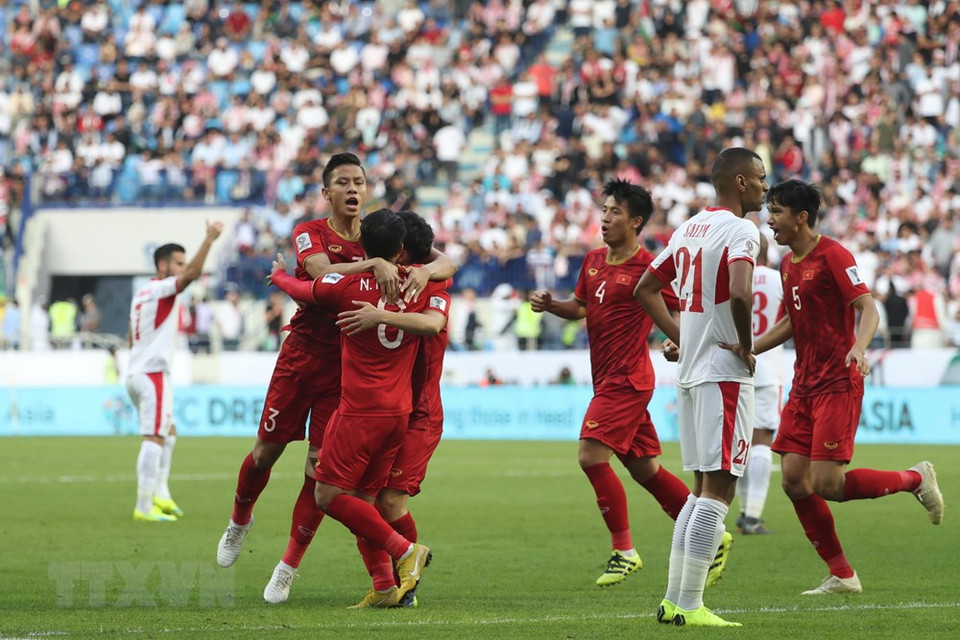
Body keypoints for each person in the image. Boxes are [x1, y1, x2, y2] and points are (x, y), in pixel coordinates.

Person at [214, 153, 455, 603]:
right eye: (342, 182)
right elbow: (320, 273)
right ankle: (239, 522)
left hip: (346, 375)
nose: (352, 189)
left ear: (366, 190)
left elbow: (446, 264)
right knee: (265, 453)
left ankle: (289, 567)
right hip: (302, 359)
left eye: (358, 182)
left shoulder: (383, 237)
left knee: (319, 472)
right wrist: (370, 265)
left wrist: (417, 268)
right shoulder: (311, 233)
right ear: (327, 192)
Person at [755, 179, 943, 595]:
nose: (769, 220)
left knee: (827, 485)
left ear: (801, 217)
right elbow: (791, 321)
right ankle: (842, 573)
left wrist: (859, 347)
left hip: (838, 382)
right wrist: (750, 347)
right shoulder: (787, 265)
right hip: (804, 386)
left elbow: (867, 308)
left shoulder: (834, 255)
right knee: (791, 479)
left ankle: (914, 478)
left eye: (776, 212)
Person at [269, 209, 449, 607]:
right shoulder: (425, 284)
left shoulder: (346, 285)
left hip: (359, 412)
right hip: (399, 413)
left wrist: (279, 276)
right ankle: (387, 588)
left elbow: (305, 289)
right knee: (367, 500)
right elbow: (445, 269)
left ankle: (406, 553)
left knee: (327, 496)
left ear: (363, 247)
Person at [530, 179, 700, 589]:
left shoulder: (649, 269)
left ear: (636, 221)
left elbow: (688, 310)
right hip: (605, 378)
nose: (605, 218)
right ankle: (708, 535)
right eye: (604, 210)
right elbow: (582, 309)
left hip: (627, 379)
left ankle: (624, 550)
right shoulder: (591, 261)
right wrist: (554, 306)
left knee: (590, 456)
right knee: (646, 470)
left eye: (615, 212)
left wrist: (680, 340)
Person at [635, 147, 765, 627]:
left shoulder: (689, 226)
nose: (766, 188)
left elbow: (645, 288)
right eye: (761, 178)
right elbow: (739, 291)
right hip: (723, 373)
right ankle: (690, 605)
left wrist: (684, 338)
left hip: (690, 373)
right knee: (720, 489)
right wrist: (745, 345)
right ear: (742, 182)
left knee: (698, 490)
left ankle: (674, 600)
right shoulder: (742, 229)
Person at [333, 210, 451, 608]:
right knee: (363, 500)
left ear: (402, 253)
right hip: (393, 407)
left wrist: (380, 313)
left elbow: (434, 321)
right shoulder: (408, 276)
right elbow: (447, 259)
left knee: (388, 503)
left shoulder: (431, 283)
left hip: (421, 412)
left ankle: (406, 580)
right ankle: (386, 586)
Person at [128, 221, 224, 522]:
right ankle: (144, 505)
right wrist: (208, 239)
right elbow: (191, 277)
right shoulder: (160, 289)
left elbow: (131, 335)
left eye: (184, 263)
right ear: (162, 265)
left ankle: (162, 494)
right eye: (178, 264)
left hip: (136, 371)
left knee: (168, 431)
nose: (183, 268)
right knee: (154, 436)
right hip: (153, 373)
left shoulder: (143, 292)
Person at [735, 234, 783, 535]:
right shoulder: (779, 279)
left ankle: (742, 512)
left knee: (739, 442)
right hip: (769, 367)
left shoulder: (733, 280)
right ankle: (752, 516)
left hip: (736, 366)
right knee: (762, 440)